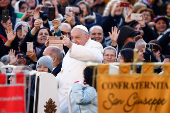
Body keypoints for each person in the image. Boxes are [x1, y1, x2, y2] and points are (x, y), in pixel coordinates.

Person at [56, 25, 103, 112]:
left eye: (77, 37)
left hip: (79, 94)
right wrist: (52, 81)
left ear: (87, 37)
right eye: (72, 37)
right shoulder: (71, 49)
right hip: (62, 94)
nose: (74, 41)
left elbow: (96, 57)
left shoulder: (95, 45)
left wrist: (71, 45)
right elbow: (64, 71)